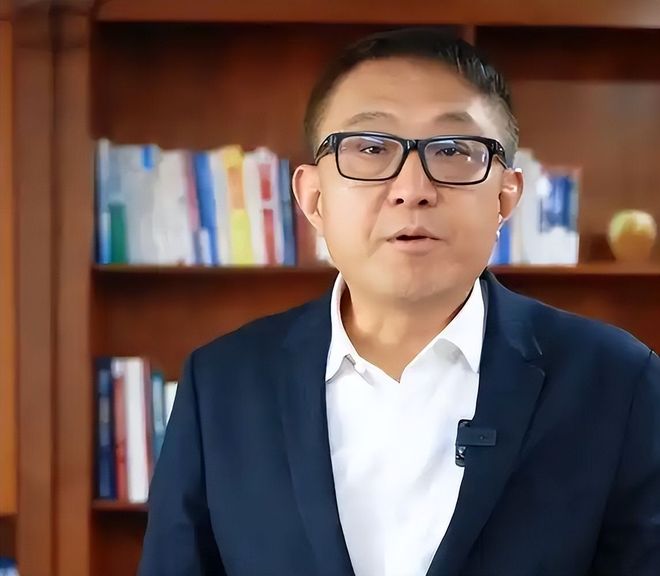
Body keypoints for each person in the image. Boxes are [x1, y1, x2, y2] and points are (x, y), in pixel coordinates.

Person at [138, 28, 660, 576]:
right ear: (313, 198)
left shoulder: (618, 382)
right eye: (370, 148)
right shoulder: (221, 385)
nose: (413, 189)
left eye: (453, 151)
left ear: (505, 197)